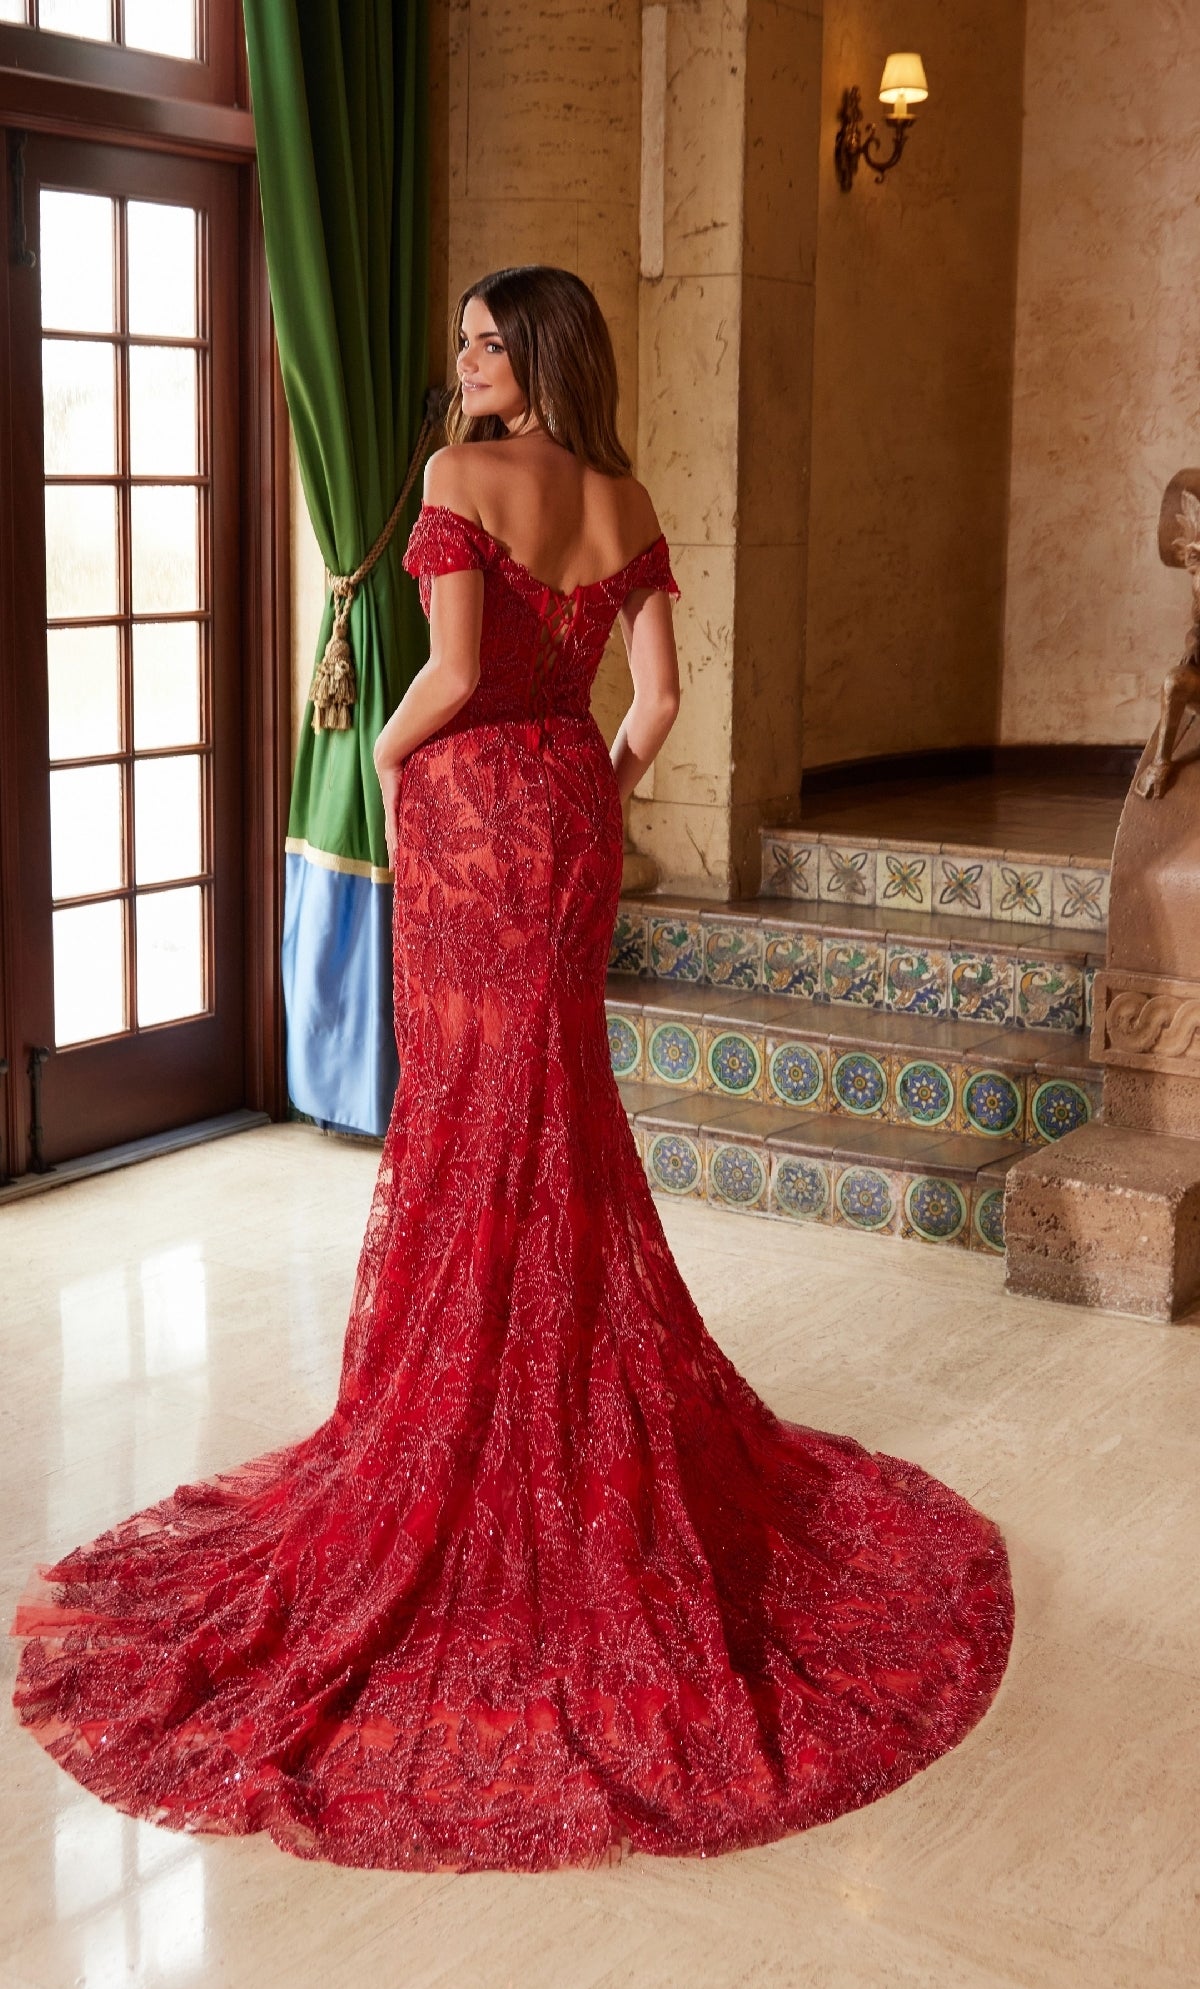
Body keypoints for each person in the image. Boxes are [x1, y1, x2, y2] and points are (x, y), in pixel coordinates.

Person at [10, 266, 1013, 1874]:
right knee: (554, 1117)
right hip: (566, 818)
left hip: (475, 815)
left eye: (486, 340)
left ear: (538, 354)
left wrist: (389, 760)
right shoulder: (623, 496)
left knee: (473, 1116)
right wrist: (589, 793)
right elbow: (661, 699)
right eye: (465, 340)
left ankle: (470, 1404)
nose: (462, 362)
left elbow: (456, 677)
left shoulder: (456, 480)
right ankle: (544, 1382)